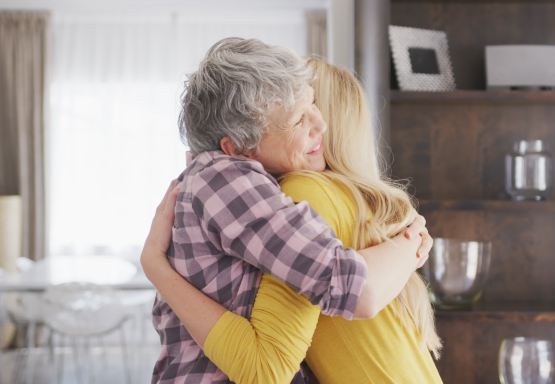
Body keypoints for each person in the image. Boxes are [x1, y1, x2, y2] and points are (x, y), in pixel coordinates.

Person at [146, 37, 432, 383]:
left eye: (313, 104)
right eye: (298, 121)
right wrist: (411, 243)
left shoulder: (219, 183)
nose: (320, 125)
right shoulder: (226, 179)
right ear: (237, 148)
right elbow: (354, 290)